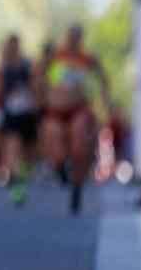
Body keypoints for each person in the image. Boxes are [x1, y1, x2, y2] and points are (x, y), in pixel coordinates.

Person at [42, 25, 108, 214]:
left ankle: (77, 186)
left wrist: (104, 98)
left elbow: (103, 77)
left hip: (77, 108)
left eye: (77, 37)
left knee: (79, 147)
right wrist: (41, 94)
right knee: (58, 153)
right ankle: (62, 171)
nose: (73, 40)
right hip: (55, 109)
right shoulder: (56, 56)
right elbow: (38, 72)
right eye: (71, 36)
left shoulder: (86, 58)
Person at [0, 36, 38, 206]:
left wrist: (33, 98)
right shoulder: (4, 68)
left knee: (28, 155)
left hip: (27, 116)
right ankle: (17, 187)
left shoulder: (28, 66)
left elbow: (36, 86)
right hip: (11, 116)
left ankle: (22, 175)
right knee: (10, 150)